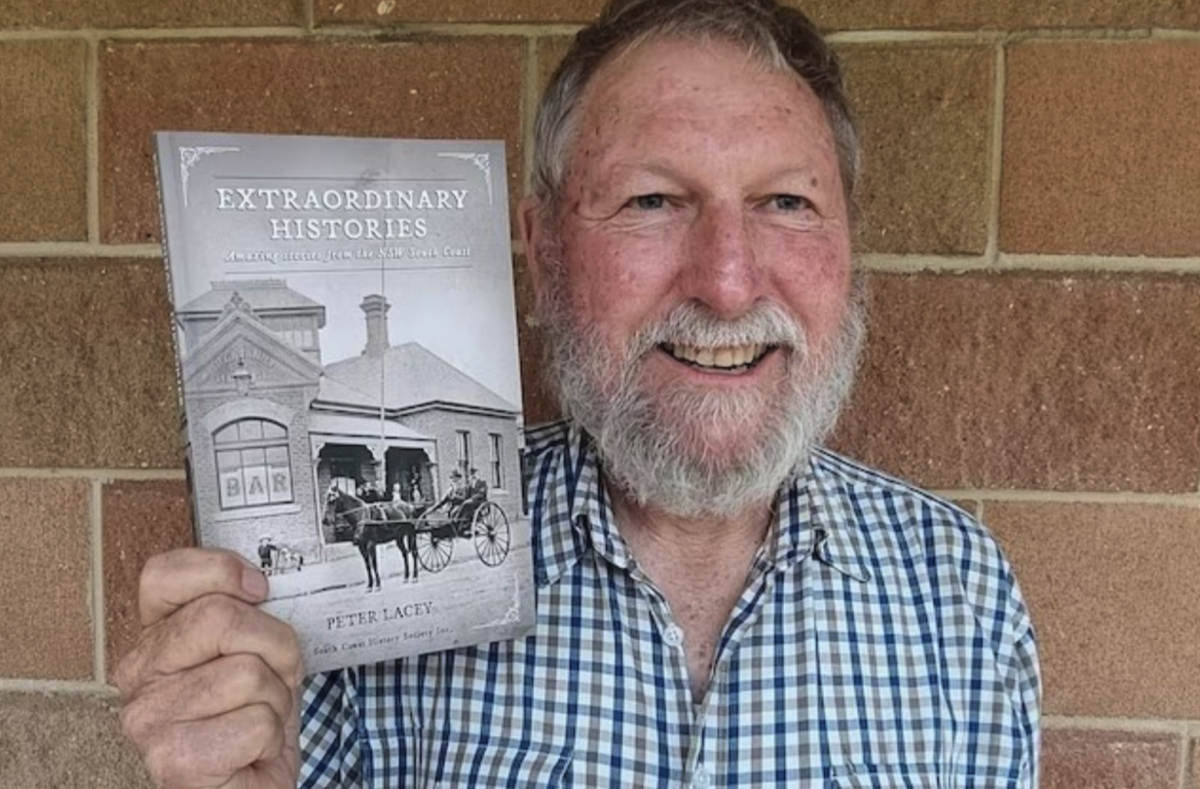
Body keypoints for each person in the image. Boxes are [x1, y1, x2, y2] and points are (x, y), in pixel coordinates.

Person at [114, 1, 1040, 786]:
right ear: (546, 251)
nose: (726, 282)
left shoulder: (960, 591)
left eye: (786, 203)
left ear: (848, 249)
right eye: (651, 201)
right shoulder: (358, 615)